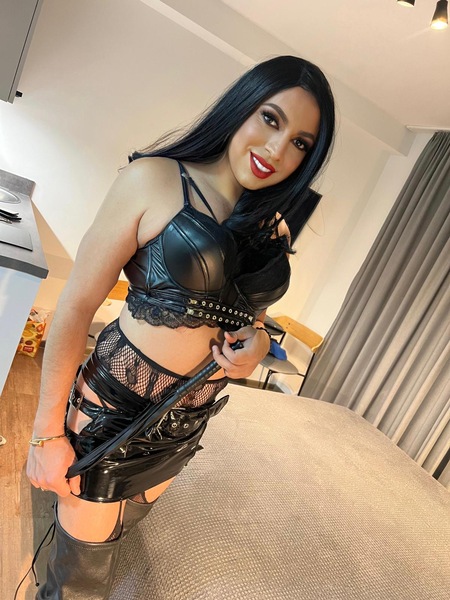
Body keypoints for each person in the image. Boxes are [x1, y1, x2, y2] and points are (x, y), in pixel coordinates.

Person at [25, 55, 335, 598]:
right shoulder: (153, 180)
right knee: (79, 584)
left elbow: (253, 321)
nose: (275, 150)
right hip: (111, 413)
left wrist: (258, 343)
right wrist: (46, 434)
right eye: (270, 119)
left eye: (300, 144)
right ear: (242, 107)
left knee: (118, 538)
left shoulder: (273, 227)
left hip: (187, 422)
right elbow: (75, 307)